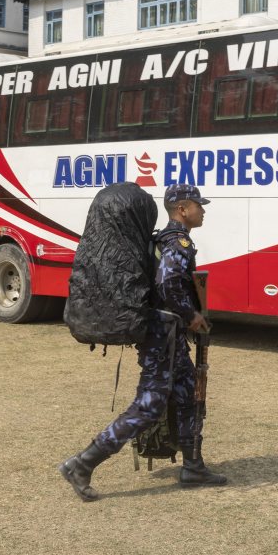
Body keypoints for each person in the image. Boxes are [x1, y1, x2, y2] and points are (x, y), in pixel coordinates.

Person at [59, 183, 226, 502]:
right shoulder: (177, 242)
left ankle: (193, 466)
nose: (202, 210)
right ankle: (82, 464)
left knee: (188, 394)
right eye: (198, 205)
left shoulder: (163, 240)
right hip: (163, 336)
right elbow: (168, 284)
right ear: (182, 209)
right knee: (149, 405)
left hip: (167, 335)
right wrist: (192, 315)